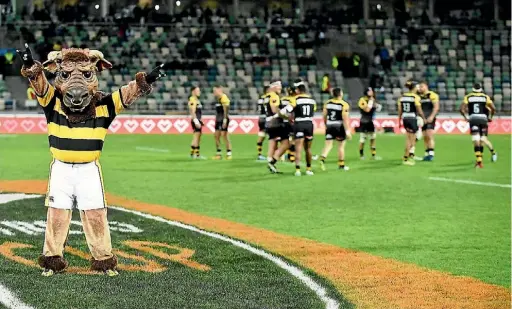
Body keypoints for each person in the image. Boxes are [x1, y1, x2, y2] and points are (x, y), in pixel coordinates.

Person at [460, 83, 497, 168]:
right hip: (483, 119)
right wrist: (491, 117)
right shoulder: (485, 97)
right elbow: (493, 108)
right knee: (483, 140)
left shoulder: (468, 97)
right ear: (481, 89)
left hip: (473, 119)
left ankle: (479, 160)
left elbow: (461, 109)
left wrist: (466, 117)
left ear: (472, 88)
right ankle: (490, 154)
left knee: (476, 140)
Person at [319, 88, 352, 171]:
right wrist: (347, 131)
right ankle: (341, 165)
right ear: (340, 94)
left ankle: (322, 159)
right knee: (341, 146)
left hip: (329, 125)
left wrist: (326, 124)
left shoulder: (328, 103)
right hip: (339, 126)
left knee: (328, 145)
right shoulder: (344, 104)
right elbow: (345, 118)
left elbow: (324, 115)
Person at [263, 80, 289, 173]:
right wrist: (285, 116)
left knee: (272, 143)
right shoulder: (274, 96)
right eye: (278, 86)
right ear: (273, 87)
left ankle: (271, 163)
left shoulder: (266, 96)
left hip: (268, 122)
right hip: (276, 123)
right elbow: (275, 110)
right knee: (286, 143)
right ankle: (274, 161)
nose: (280, 88)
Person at [398, 80, 425, 166]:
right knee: (411, 139)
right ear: (414, 88)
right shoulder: (415, 97)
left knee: (410, 138)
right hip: (412, 118)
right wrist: (423, 118)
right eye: (417, 86)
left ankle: (408, 156)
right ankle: (406, 158)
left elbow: (400, 110)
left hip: (405, 118)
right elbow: (419, 109)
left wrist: (399, 120)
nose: (418, 88)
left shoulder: (402, 97)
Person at [417, 81, 440, 161]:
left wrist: (431, 116)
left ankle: (431, 154)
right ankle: (427, 153)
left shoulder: (432, 95)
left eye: (422, 86)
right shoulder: (418, 96)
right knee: (425, 136)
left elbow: (436, 107)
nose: (420, 88)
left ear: (426, 86)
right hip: (422, 118)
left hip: (430, 117)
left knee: (429, 135)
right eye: (419, 87)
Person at [358, 87, 381, 160]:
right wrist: (371, 102)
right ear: (366, 92)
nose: (372, 92)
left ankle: (373, 155)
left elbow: (377, 108)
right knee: (363, 139)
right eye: (370, 91)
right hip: (364, 121)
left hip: (370, 122)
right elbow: (367, 109)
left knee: (373, 138)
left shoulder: (372, 100)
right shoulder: (362, 100)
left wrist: (377, 106)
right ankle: (361, 155)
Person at [213, 85, 232, 160]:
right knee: (216, 136)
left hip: (223, 119)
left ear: (219, 90)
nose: (214, 92)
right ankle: (218, 153)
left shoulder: (224, 98)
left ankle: (229, 153)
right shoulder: (217, 99)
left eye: (215, 91)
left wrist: (225, 120)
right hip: (218, 119)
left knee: (225, 135)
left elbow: (226, 110)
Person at [189, 86, 204, 159]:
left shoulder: (196, 100)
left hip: (198, 120)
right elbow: (192, 111)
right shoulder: (192, 99)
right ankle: (195, 154)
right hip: (196, 120)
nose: (199, 92)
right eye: (197, 90)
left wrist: (200, 120)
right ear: (193, 91)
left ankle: (194, 153)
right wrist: (196, 121)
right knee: (196, 137)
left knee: (198, 136)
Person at [281, 86, 296, 162]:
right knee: (293, 139)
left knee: (284, 140)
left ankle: (283, 155)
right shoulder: (294, 99)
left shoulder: (282, 99)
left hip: (282, 121)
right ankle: (291, 156)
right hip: (290, 121)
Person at [256, 85, 269, 161]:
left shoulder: (260, 99)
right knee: (274, 136)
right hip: (267, 118)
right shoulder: (268, 98)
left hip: (260, 118)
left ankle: (259, 154)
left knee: (261, 135)